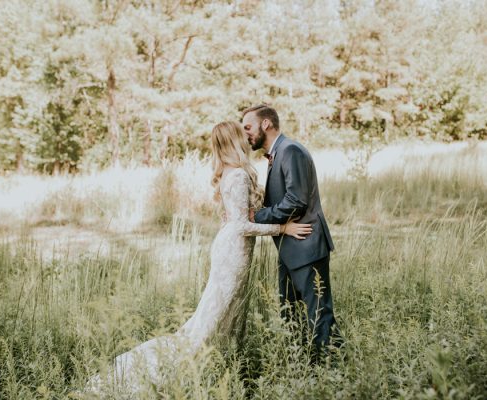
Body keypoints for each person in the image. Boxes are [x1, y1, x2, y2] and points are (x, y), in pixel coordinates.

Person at [85, 121, 312, 394]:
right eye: (243, 133)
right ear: (235, 140)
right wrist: (283, 227)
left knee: (228, 312)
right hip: (234, 251)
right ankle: (176, 370)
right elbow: (241, 225)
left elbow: (232, 218)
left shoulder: (231, 172)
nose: (248, 136)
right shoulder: (238, 175)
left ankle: (223, 370)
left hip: (230, 246)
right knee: (213, 316)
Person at [242, 104, 339, 357]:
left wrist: (258, 215)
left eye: (248, 127)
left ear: (266, 124)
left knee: (318, 313)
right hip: (289, 246)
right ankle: (302, 366)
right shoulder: (278, 153)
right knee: (290, 312)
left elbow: (296, 200)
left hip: (306, 244)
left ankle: (332, 369)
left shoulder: (290, 150)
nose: (245, 134)